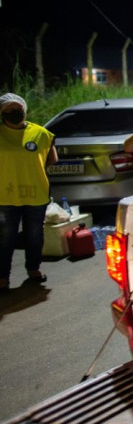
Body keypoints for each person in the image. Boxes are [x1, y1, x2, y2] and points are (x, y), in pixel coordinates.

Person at [0, 93, 58, 292]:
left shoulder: (41, 134)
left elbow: (52, 159)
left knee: (34, 235)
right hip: (5, 196)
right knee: (5, 237)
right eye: (7, 109)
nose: (13, 112)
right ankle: (3, 277)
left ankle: (33, 269)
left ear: (24, 109)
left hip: (36, 194)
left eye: (16, 107)